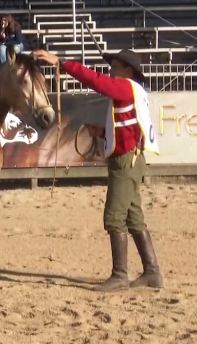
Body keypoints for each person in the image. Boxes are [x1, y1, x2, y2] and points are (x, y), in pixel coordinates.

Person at [34, 48, 163, 292]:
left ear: (128, 70)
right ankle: (151, 271)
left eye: (115, 65)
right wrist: (102, 132)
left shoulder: (125, 87)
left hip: (125, 161)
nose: (111, 70)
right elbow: (127, 127)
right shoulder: (134, 92)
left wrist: (62, 62)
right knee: (133, 216)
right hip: (131, 159)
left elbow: (97, 81)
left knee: (114, 216)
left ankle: (120, 275)